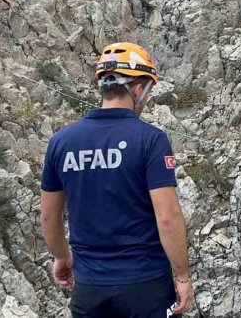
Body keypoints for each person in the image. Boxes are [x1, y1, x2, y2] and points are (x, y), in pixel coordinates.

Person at [39, 42, 194, 317]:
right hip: (146, 283)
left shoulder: (61, 141)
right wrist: (182, 277)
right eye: (147, 89)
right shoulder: (150, 139)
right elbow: (168, 216)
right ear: (137, 88)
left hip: (89, 285)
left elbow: (50, 217)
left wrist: (62, 257)